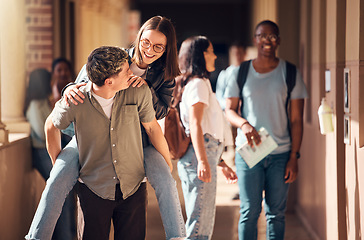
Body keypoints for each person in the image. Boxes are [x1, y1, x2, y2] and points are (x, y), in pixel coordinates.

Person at [26, 16, 185, 240]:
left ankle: (178, 236)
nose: (150, 50)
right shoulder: (116, 58)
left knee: (166, 179)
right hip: (90, 135)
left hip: (138, 139)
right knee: (58, 175)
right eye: (146, 42)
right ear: (139, 38)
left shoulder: (164, 75)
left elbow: (158, 115)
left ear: (167, 49)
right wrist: (69, 89)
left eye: (159, 46)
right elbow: (87, 79)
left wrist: (146, 88)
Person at [45, 45, 172, 239]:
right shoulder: (78, 98)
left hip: (133, 188)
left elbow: (153, 128)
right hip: (92, 188)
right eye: (126, 71)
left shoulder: (138, 92)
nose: (132, 73)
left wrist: (167, 164)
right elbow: (51, 125)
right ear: (109, 81)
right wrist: (58, 162)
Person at [224, 20, 308, 240]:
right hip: (250, 151)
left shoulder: (290, 73)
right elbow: (229, 110)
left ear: (278, 40)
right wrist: (244, 123)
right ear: (255, 39)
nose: (267, 41)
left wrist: (294, 157)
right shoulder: (241, 72)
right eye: (262, 36)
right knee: (249, 212)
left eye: (272, 36)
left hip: (281, 154)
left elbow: (297, 120)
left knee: (276, 214)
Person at [175, 35, 238, 239]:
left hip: (200, 155)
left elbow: (206, 130)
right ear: (201, 55)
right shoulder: (199, 84)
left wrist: (219, 162)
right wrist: (203, 160)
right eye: (210, 51)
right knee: (200, 224)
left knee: (200, 220)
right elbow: (196, 124)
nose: (213, 56)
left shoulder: (197, 83)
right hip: (198, 157)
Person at [24, 68, 76, 240]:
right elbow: (43, 131)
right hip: (41, 152)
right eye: (50, 81)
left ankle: (67, 234)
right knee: (63, 192)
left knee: (67, 193)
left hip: (49, 151)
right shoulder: (34, 106)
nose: (52, 83)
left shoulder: (44, 103)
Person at [215, 41, 246, 111]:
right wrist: (232, 104)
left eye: (240, 53)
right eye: (235, 54)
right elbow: (219, 97)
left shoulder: (250, 73)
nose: (237, 56)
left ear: (245, 54)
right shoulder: (225, 74)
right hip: (228, 113)